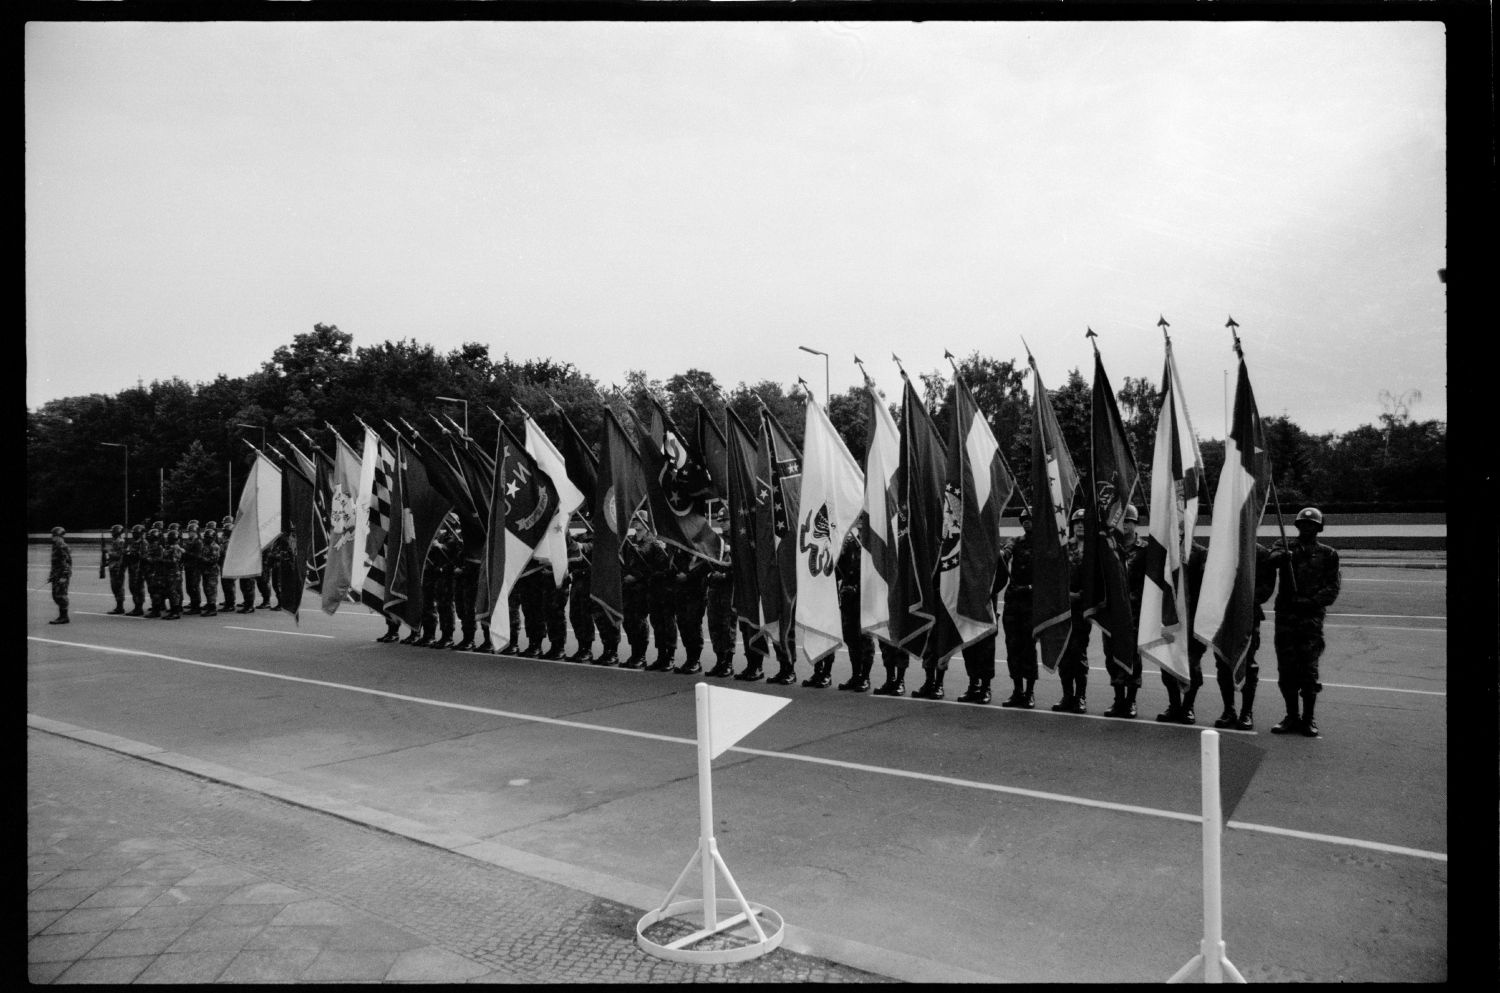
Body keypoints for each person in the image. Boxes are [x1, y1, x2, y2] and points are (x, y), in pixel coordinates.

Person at [1268, 507, 1341, 737]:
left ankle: (1308, 718)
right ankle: (1291, 716)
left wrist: (1310, 601)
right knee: (1286, 670)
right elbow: (1272, 560)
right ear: (1297, 526)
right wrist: (1284, 556)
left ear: (1319, 528)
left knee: (1309, 671)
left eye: (1312, 525)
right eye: (1303, 525)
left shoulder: (1328, 554)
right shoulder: (1285, 545)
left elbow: (1332, 587)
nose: (1307, 528)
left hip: (1310, 619)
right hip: (1286, 618)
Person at [1104, 505, 1149, 719]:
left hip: (1135, 612)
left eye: (1129, 521)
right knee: (1112, 656)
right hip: (1113, 612)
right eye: (1122, 521)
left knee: (1132, 658)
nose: (1125, 525)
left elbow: (1152, 583)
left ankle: (1131, 701)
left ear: (1136, 523)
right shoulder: (1111, 548)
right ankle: (1118, 699)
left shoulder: (1146, 550)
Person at [1158, 540, 1209, 724]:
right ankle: (1174, 705)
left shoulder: (1201, 553)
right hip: (1169, 618)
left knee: (1192, 666)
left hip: (1193, 619)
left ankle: (1188, 706)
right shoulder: (1163, 551)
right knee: (1167, 665)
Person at [956, 537, 1010, 705]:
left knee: (986, 649)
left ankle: (985, 687)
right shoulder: (960, 547)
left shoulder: (990, 547)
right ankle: (973, 685)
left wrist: (988, 593)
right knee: (969, 647)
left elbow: (1002, 576)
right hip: (966, 605)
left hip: (986, 606)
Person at [1052, 508, 1091, 713]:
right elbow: (1056, 576)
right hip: (1065, 609)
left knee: (1079, 654)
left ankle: (1080, 696)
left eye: (1084, 522)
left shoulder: (1095, 549)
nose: (1080, 525)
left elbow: (1099, 581)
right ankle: (1067, 695)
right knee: (1064, 654)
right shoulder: (1065, 547)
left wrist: (1082, 596)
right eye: (1077, 522)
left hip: (1083, 610)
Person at [999, 508, 1038, 708]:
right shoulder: (1016, 541)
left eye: (1030, 519)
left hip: (1032, 601)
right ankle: (1017, 690)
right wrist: (1002, 553)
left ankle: (1030, 692)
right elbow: (1007, 550)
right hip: (1014, 600)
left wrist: (1032, 587)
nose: (1026, 523)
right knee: (1012, 646)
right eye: (1023, 520)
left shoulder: (1044, 544)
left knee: (1028, 648)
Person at [835, 529, 874, 692]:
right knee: (851, 638)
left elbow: (875, 574)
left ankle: (865, 677)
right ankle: (855, 675)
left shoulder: (873, 543)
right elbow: (839, 570)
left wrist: (857, 588)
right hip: (848, 598)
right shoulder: (849, 543)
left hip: (866, 598)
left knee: (864, 638)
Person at [641, 535, 679, 672]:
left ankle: (670, 657)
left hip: (668, 588)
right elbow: (644, 559)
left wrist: (667, 549)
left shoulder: (674, 540)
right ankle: (661, 656)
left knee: (668, 623)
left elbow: (677, 565)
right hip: (654, 587)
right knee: (657, 624)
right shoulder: (654, 542)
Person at [619, 524, 653, 669]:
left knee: (639, 621)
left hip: (641, 588)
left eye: (640, 520)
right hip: (628, 588)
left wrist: (636, 577)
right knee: (628, 621)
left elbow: (651, 566)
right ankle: (634, 654)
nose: (636, 523)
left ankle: (641, 656)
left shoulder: (652, 542)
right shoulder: (629, 540)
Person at [672, 550, 710, 675]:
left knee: (693, 625)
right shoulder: (682, 553)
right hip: (682, 594)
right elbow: (675, 567)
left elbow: (707, 568)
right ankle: (689, 659)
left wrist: (688, 577)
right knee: (683, 626)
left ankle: (695, 661)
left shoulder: (704, 552)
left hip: (697, 595)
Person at [704, 545, 738, 678]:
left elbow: (740, 568)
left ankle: (728, 663)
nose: (722, 523)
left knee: (728, 628)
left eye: (724, 521)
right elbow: (705, 566)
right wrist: (711, 575)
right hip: (714, 593)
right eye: (720, 522)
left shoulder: (735, 541)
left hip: (728, 593)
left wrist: (725, 575)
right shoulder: (715, 542)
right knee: (714, 627)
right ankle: (719, 661)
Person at [47, 527, 72, 624]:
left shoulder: (61, 546)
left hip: (62, 574)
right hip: (57, 574)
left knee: (60, 595)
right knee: (56, 595)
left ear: (59, 536)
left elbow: (66, 562)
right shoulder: (56, 545)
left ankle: (64, 617)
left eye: (54, 535)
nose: (52, 537)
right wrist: (51, 575)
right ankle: (62, 616)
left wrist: (63, 576)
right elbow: (55, 563)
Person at [102, 524, 128, 615]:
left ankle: (120, 607)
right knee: (115, 587)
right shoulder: (115, 541)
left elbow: (119, 555)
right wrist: (106, 562)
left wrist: (107, 551)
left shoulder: (120, 541)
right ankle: (118, 606)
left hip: (118, 567)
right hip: (114, 567)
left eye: (113, 532)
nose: (111, 533)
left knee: (118, 587)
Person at [161, 528, 185, 620]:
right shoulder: (170, 547)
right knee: (171, 592)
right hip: (170, 572)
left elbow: (173, 561)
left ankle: (175, 612)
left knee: (173, 592)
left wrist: (162, 560)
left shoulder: (175, 548)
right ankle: (174, 610)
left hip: (173, 573)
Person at [198, 525, 221, 617]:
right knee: (206, 588)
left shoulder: (214, 546)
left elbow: (213, 560)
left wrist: (201, 559)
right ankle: (209, 604)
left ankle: (212, 608)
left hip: (212, 571)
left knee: (211, 589)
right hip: (205, 571)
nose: (206, 539)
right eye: (205, 537)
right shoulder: (205, 546)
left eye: (208, 537)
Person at [124, 524, 147, 616]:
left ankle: (139, 607)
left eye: (136, 533)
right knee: (132, 587)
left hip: (139, 569)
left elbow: (143, 556)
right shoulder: (133, 543)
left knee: (138, 588)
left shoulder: (143, 543)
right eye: (133, 533)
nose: (134, 535)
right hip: (132, 568)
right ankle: (136, 606)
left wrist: (133, 554)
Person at [181, 521, 204, 614]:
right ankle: (193, 604)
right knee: (189, 587)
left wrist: (185, 552)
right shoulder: (189, 541)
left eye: (191, 532)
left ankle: (196, 607)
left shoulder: (198, 542)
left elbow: (197, 555)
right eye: (189, 532)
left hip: (195, 567)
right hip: (189, 567)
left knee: (194, 587)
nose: (189, 533)